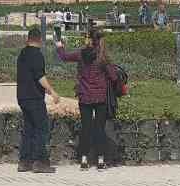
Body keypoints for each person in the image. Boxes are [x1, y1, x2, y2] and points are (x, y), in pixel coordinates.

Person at [58, 28, 117, 171]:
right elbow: (114, 77)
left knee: (86, 128)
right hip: (100, 97)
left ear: (88, 39)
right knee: (100, 129)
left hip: (84, 96)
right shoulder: (102, 57)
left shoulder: (80, 54)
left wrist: (60, 47)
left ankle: (84, 160)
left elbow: (64, 57)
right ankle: (101, 160)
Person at [13, 27, 59, 173]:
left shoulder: (22, 53)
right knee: (42, 128)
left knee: (29, 129)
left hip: (22, 96)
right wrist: (52, 91)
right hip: (34, 97)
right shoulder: (36, 55)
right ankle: (40, 161)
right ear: (40, 39)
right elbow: (40, 77)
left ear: (28, 38)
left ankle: (24, 161)